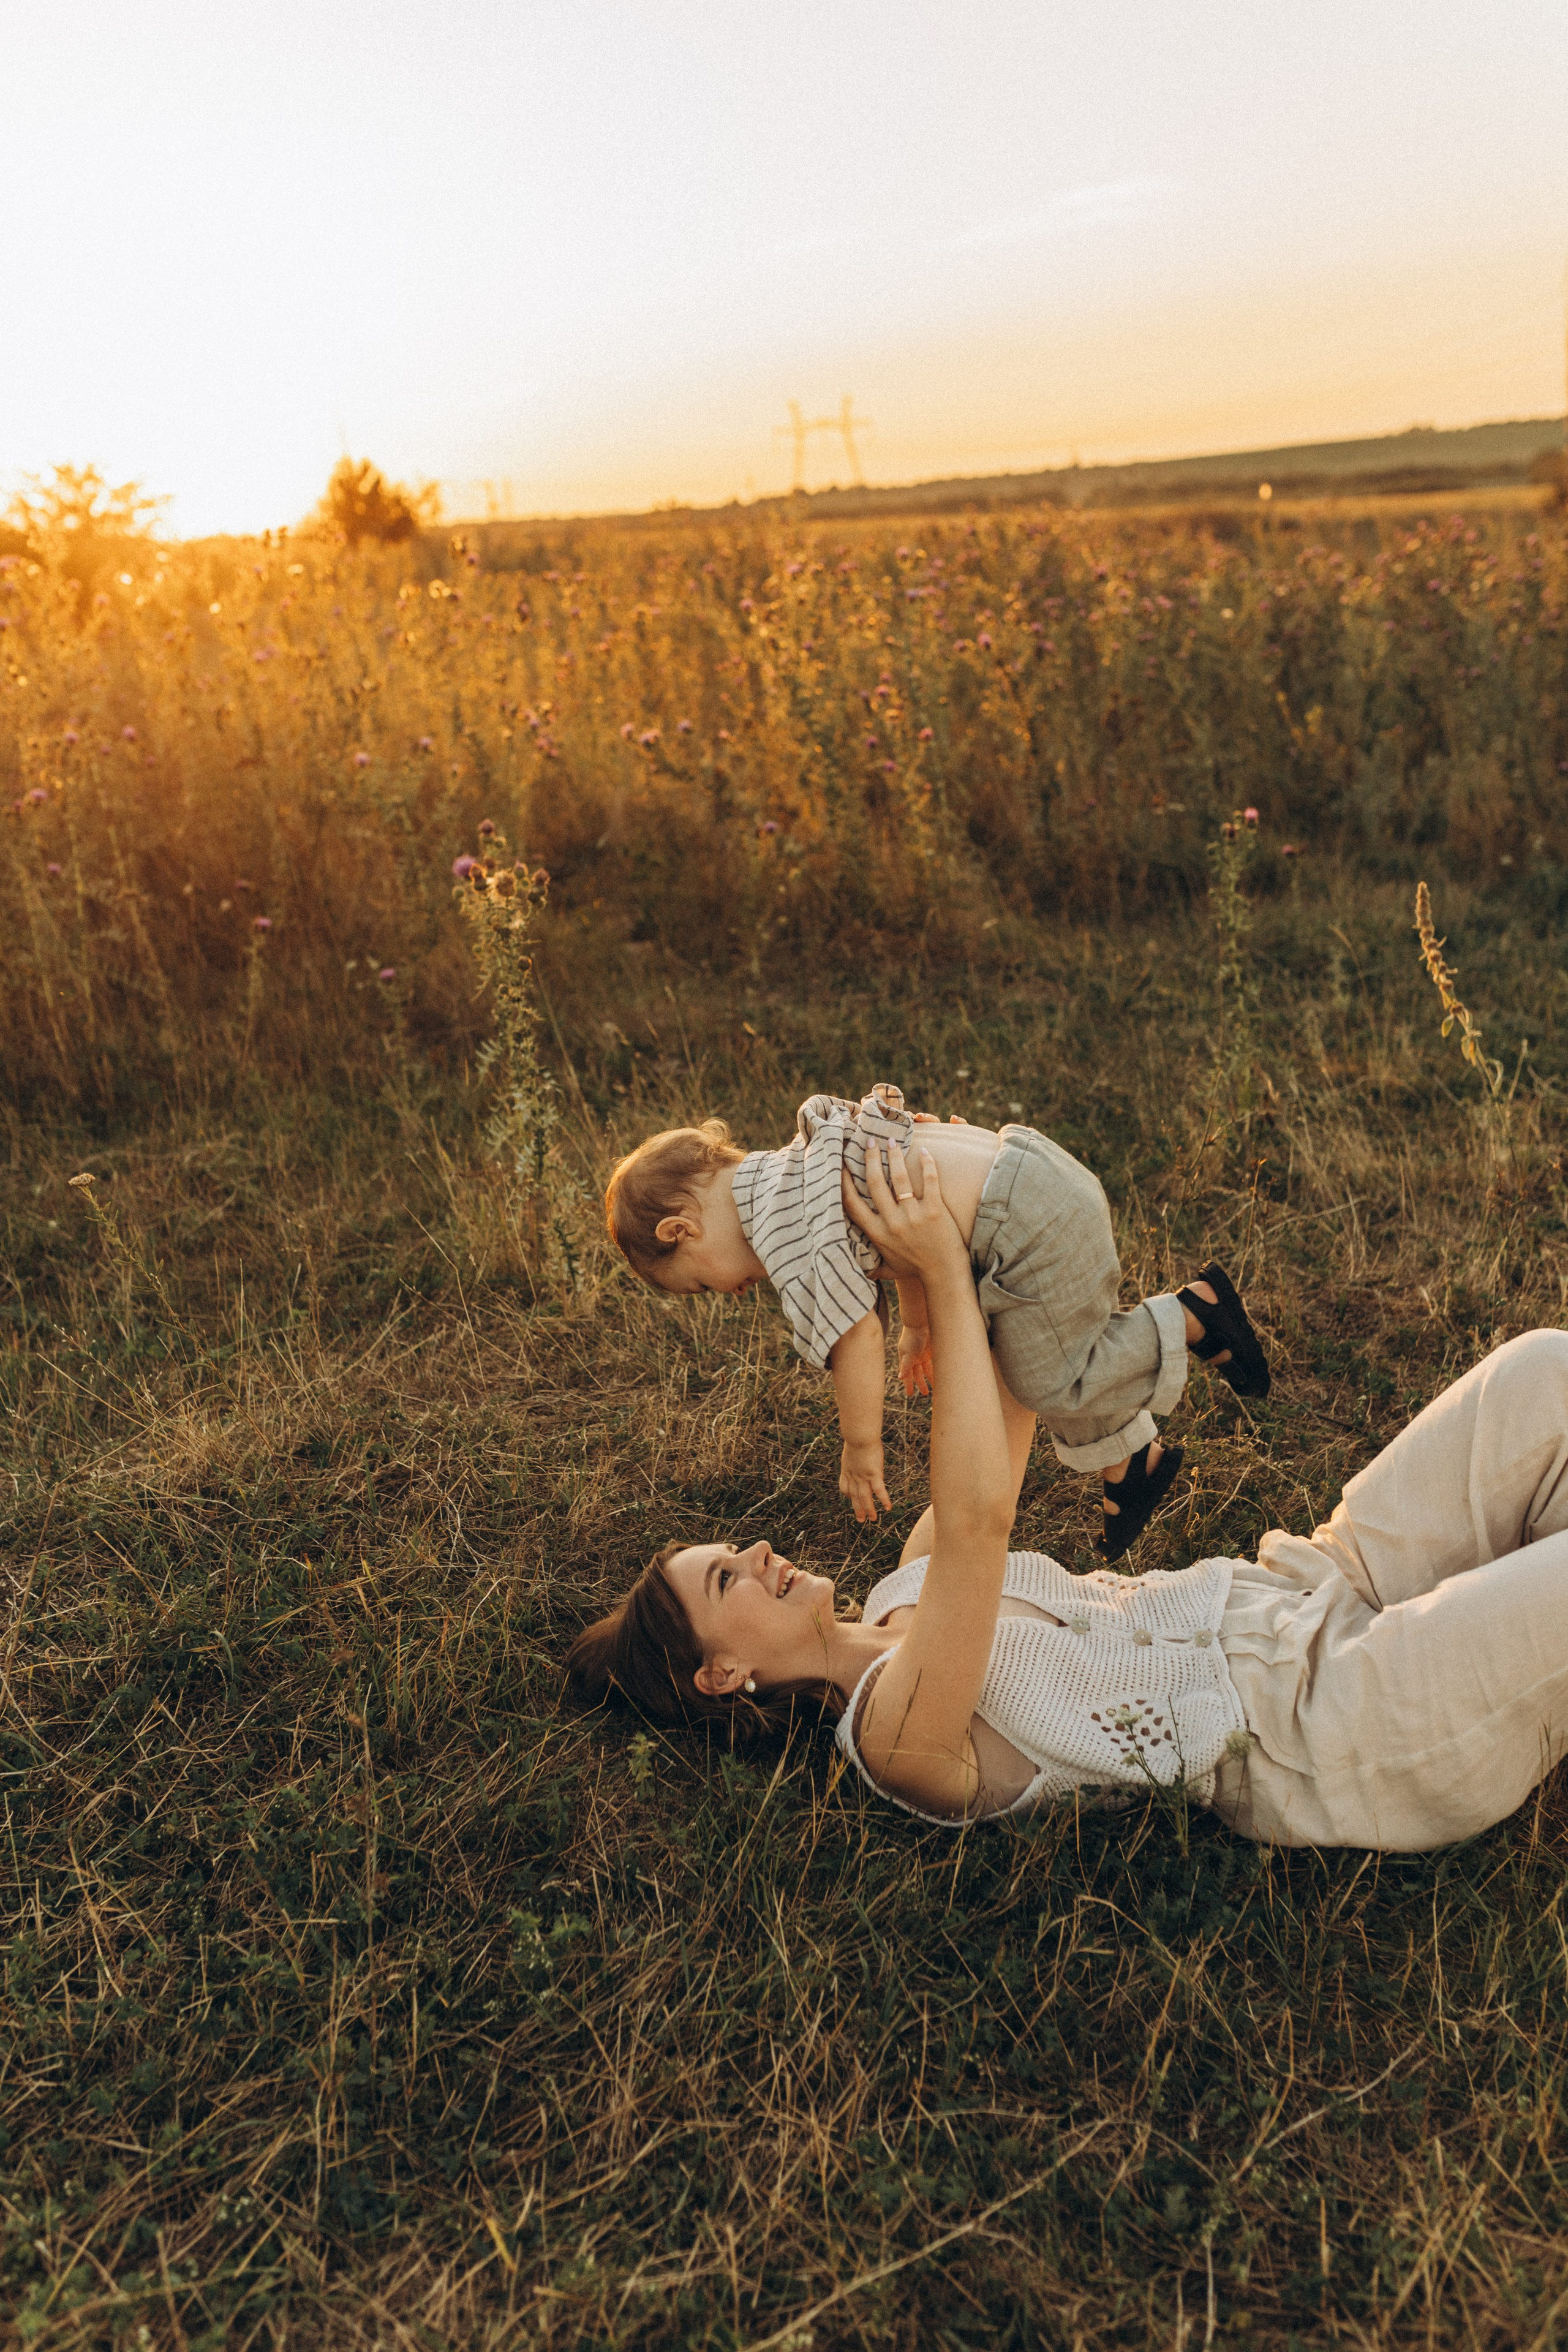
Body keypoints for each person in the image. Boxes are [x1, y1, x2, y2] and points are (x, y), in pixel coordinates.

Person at [570, 1138, 1568, 1850]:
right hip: (1330, 1717)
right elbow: (978, 1520)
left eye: (732, 1550)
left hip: (1309, 1582)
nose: (757, 1555)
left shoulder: (905, 1586)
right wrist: (940, 1282)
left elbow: (1012, 1394)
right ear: (721, 1675)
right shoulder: (895, 1738)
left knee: (1542, 1373)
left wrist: (957, 1244)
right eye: (726, 1581)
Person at [603, 1087, 1268, 1559]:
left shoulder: (783, 1236)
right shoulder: (797, 1166)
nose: (726, 1292)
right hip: (1028, 1167)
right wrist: (917, 1329)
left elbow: (853, 1334)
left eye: (699, 1284)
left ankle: (1189, 1316)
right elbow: (897, 1249)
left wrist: (860, 1445)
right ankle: (1131, 1463)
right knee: (1031, 1343)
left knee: (1049, 1377)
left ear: (681, 1230)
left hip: (1025, 1220)